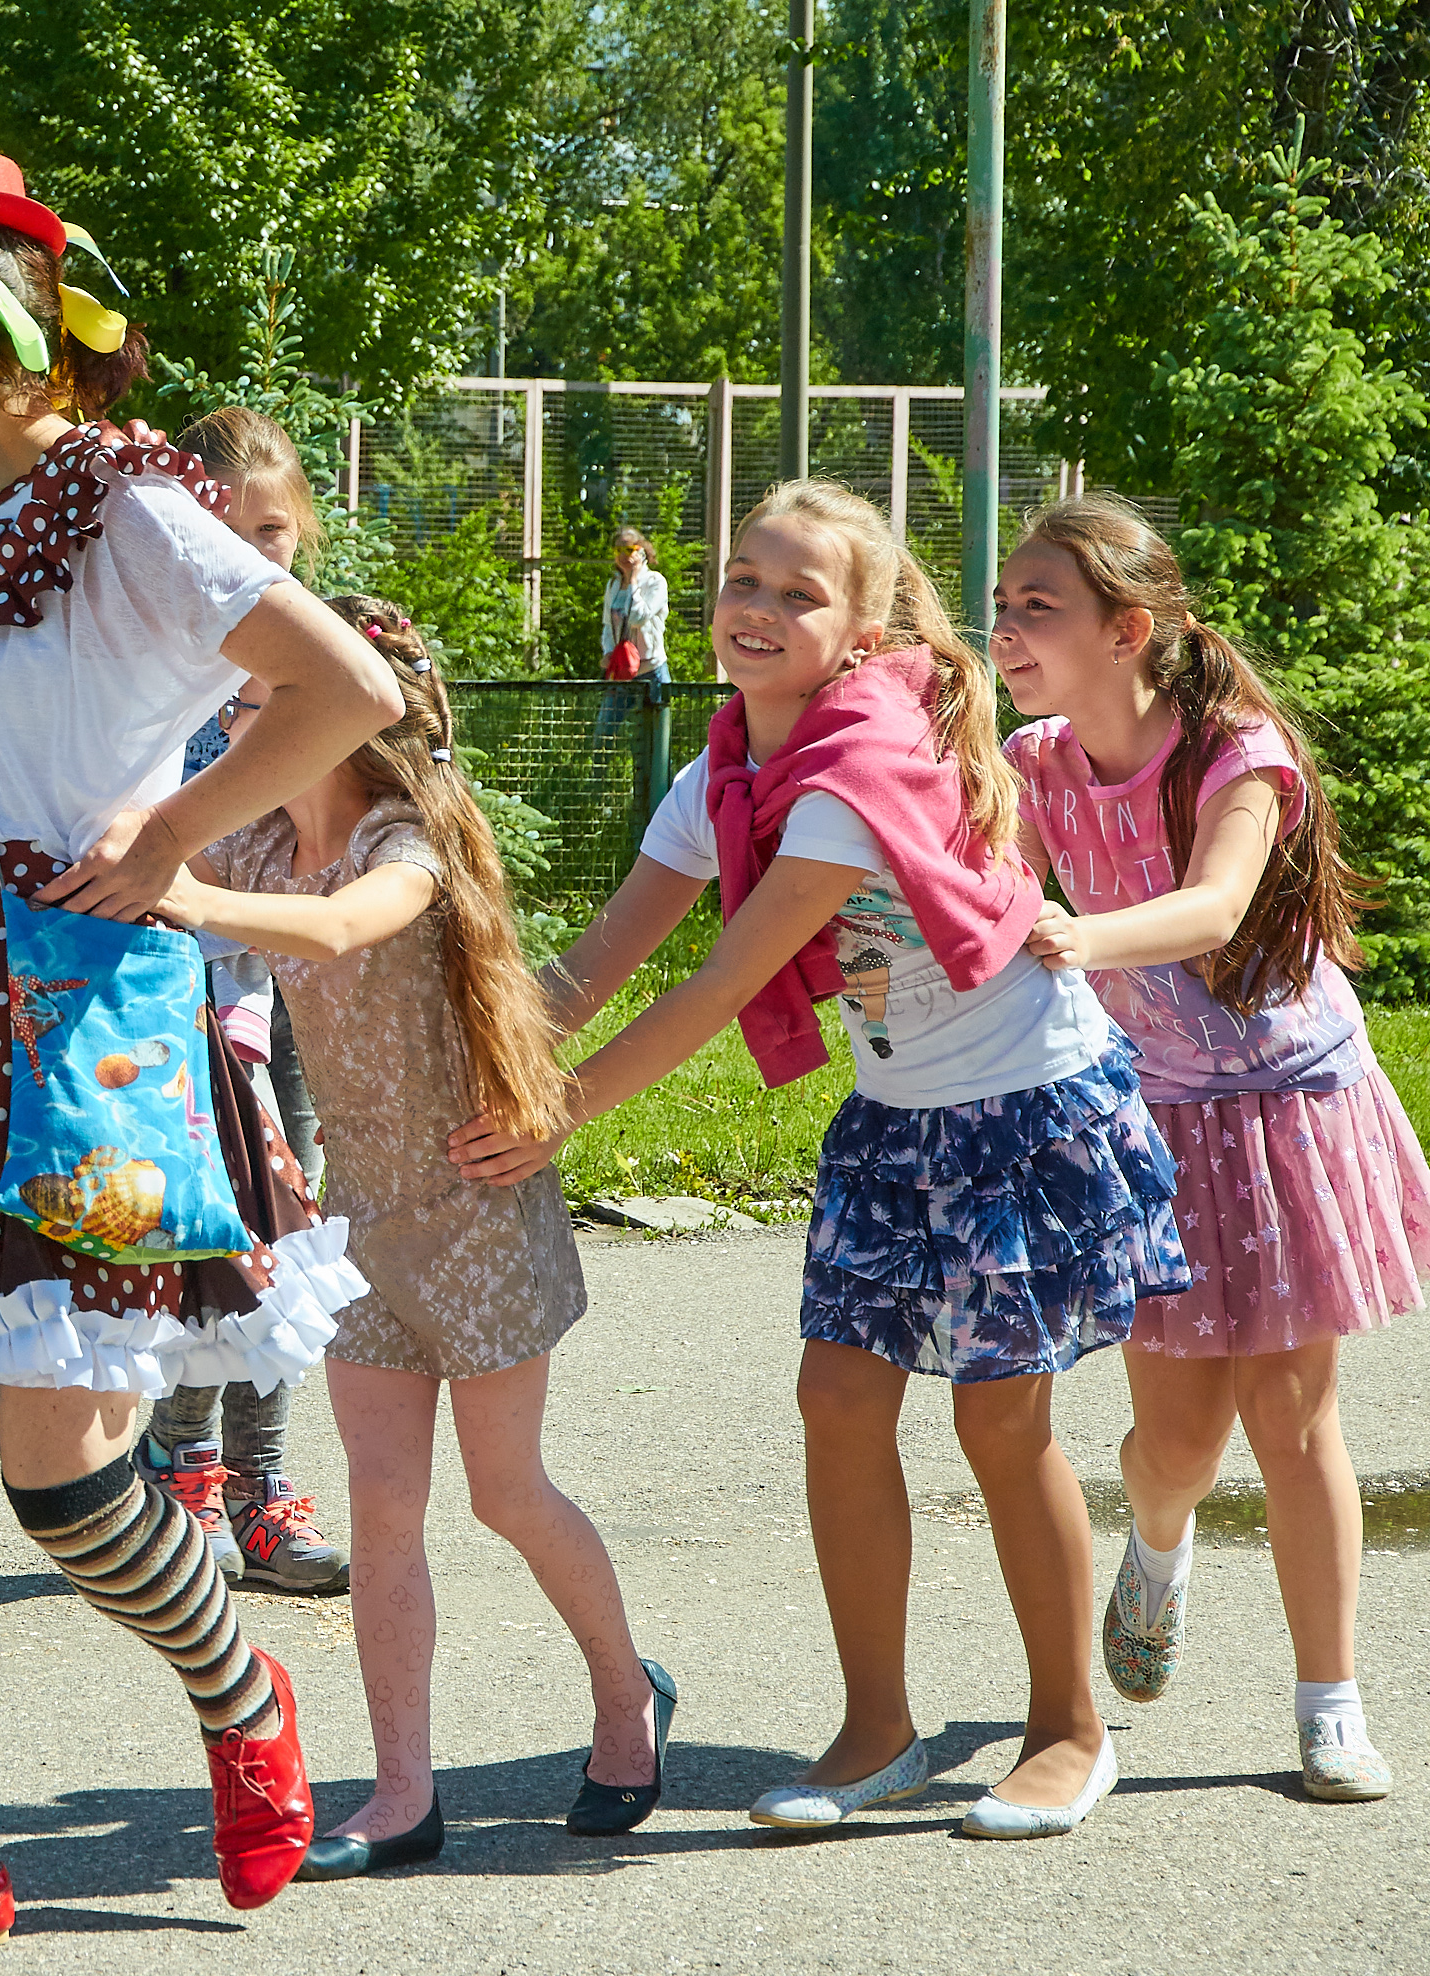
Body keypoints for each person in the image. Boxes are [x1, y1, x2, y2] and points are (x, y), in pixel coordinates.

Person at [0, 149, 396, 1959]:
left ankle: (248, 1698)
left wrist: (176, 844)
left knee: (64, 1486)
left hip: (79, 1018)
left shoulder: (127, 514)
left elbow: (353, 689)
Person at [451, 478, 1187, 1840]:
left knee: (997, 1420)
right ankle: (876, 1727)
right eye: (743, 581)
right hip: (896, 1120)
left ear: (858, 631)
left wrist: (563, 1113)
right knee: (837, 1404)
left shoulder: (859, 768)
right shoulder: (724, 769)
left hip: (1022, 1109)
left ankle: (1069, 1732)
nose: (757, 609)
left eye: (799, 592)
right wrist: (469, 1067)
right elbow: (598, 961)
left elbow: (723, 982)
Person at [155, 592, 670, 1874]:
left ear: (344, 712)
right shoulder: (260, 840)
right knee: (385, 1512)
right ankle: (400, 1791)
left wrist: (172, 890)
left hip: (483, 1208)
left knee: (508, 1492)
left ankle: (626, 1697)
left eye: (265, 694)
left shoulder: (403, 838)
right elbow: (141, 877)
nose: (237, 712)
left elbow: (339, 928)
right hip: (362, 1221)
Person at [995, 493, 1425, 1803]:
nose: (1005, 628)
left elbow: (1217, 906)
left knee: (1293, 1422)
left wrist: (1073, 936)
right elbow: (997, 897)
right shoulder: (1033, 764)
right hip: (1158, 1115)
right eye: (1003, 605)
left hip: (1296, 1101)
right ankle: (1161, 1542)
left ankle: (1328, 1704)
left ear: (1126, 632)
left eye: (1036, 608)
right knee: (1175, 1442)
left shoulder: (1241, 746)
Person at [138, 404, 343, 1594]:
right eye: (221, 526)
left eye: (271, 527)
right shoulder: (160, 669)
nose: (250, 553)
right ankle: (188, 1473)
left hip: (300, 988)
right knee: (205, 1240)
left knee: (290, 1246)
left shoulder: (322, 658)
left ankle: (265, 1489)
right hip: (188, 999)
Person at [594, 525, 670, 740]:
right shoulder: (613, 584)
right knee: (603, 736)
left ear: (641, 551)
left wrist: (634, 582)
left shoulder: (655, 582)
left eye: (629, 550)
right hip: (621, 674)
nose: (623, 556)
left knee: (654, 742)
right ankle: (601, 774)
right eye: (618, 551)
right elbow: (608, 625)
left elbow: (638, 618)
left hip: (651, 671)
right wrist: (608, 654)